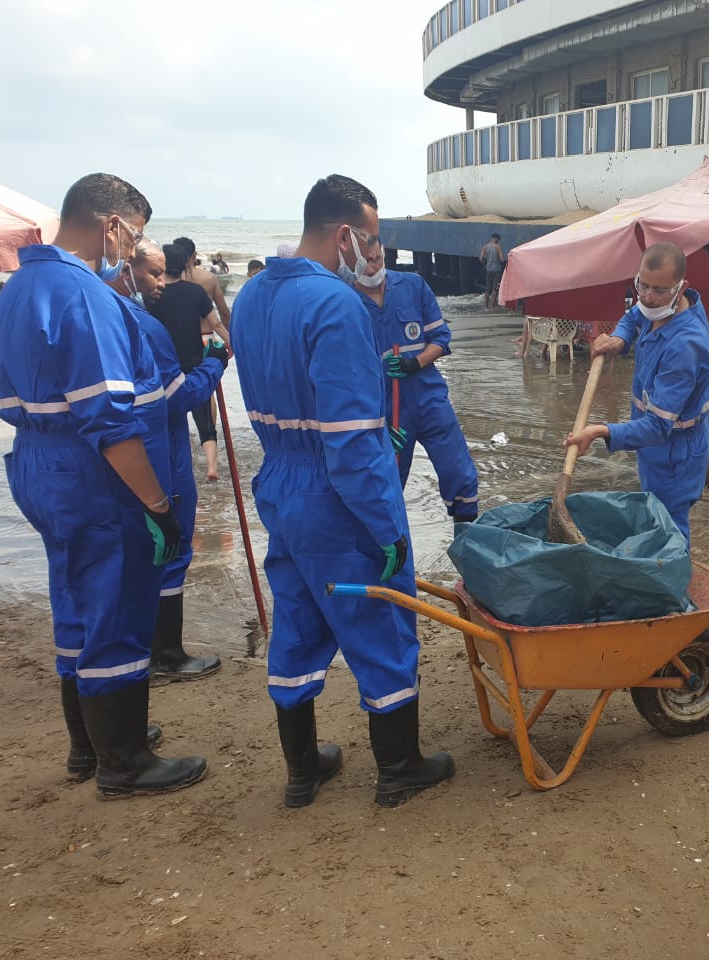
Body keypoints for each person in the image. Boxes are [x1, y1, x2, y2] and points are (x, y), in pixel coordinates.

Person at [231, 174, 453, 809]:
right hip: (336, 495)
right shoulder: (336, 304)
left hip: (282, 481)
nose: (374, 251)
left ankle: (302, 771)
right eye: (371, 238)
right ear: (346, 234)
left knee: (298, 618)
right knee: (381, 620)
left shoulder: (251, 296)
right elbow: (352, 444)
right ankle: (399, 768)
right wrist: (386, 529)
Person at [0, 172, 206, 798]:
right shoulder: (84, 294)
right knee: (117, 605)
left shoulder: (19, 285)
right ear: (112, 226)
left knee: (75, 598)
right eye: (134, 236)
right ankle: (124, 762)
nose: (132, 249)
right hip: (90, 472)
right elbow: (109, 421)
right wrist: (157, 505)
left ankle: (89, 743)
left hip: (38, 462)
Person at [112, 240, 228, 680]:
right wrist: (214, 364)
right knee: (172, 544)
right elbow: (178, 397)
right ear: (127, 267)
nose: (160, 283)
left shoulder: (106, 316)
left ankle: (142, 647)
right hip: (160, 447)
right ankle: (166, 652)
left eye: (163, 272)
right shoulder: (144, 325)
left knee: (134, 554)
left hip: (125, 451)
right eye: (153, 273)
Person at [565, 242, 709, 547]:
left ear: (681, 287)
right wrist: (619, 340)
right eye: (642, 285)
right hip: (653, 447)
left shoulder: (686, 346)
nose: (647, 296)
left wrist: (600, 431)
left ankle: (674, 574)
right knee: (654, 515)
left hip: (675, 451)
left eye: (658, 290)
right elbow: (633, 317)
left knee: (670, 528)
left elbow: (658, 426)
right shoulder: (656, 307)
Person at [354, 259, 480, 524]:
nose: (371, 260)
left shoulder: (413, 286)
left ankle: (466, 539)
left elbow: (440, 339)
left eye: (375, 249)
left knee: (458, 471)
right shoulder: (346, 300)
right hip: (384, 409)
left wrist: (414, 363)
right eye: (364, 256)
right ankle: (389, 544)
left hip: (429, 398)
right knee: (387, 484)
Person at [149, 242, 227, 481]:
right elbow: (215, 323)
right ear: (185, 264)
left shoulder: (152, 294)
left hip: (164, 364)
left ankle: (171, 465)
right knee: (205, 420)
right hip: (194, 361)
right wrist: (232, 345)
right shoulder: (195, 292)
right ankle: (211, 466)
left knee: (170, 420)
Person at [478, 232, 505, 308]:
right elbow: (502, 259)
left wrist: (486, 265)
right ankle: (492, 306)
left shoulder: (485, 247)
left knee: (487, 288)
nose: (498, 241)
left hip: (488, 270)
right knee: (494, 289)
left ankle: (486, 306)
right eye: (498, 240)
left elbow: (480, 259)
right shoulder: (498, 247)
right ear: (496, 238)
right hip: (497, 270)